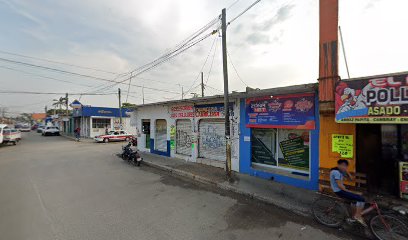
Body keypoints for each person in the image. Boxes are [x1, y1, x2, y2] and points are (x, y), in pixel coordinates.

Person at [330, 159, 366, 226]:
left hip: (341, 189)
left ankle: (353, 216)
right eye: (342, 165)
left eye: (346, 166)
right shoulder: (336, 172)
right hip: (339, 191)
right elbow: (339, 185)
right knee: (361, 199)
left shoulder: (340, 171)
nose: (344, 167)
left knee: (354, 201)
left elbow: (351, 178)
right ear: (338, 165)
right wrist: (348, 191)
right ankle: (357, 216)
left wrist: (346, 170)